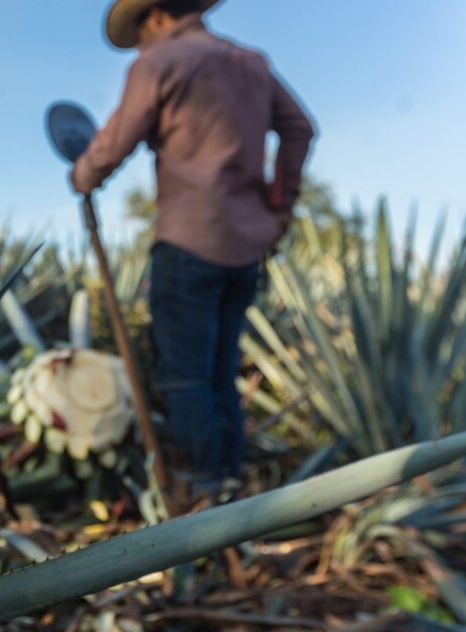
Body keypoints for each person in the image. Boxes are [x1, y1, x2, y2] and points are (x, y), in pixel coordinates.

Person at [70, 0, 316, 492]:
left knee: (184, 375)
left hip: (189, 240)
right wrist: (279, 209)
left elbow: (116, 139)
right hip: (247, 246)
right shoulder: (250, 61)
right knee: (222, 370)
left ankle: (202, 491)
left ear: (156, 17)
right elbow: (300, 129)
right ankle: (230, 477)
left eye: (141, 31)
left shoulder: (158, 62)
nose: (139, 43)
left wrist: (83, 174)